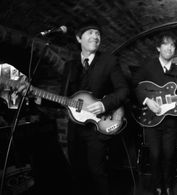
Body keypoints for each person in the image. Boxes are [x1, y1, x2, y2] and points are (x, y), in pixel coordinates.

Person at [62, 19, 129, 195]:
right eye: (90, 33)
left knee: (98, 172)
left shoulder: (109, 61)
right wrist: (37, 97)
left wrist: (104, 104)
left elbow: (123, 90)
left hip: (97, 128)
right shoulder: (70, 66)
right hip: (74, 129)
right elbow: (63, 97)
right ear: (79, 38)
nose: (95, 36)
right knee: (77, 172)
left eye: (98, 33)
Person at [133, 32, 177, 195]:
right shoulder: (147, 66)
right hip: (152, 118)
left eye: (172, 45)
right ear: (158, 47)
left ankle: (168, 185)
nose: (169, 48)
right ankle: (157, 185)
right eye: (165, 44)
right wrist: (147, 101)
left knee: (170, 155)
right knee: (155, 155)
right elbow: (134, 86)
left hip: (171, 120)